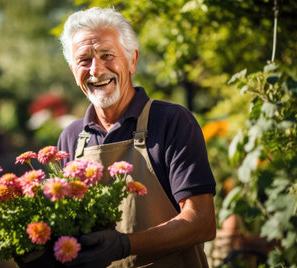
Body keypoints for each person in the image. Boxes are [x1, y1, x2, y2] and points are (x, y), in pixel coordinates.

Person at [57, 7, 216, 268]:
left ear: (132, 61)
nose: (96, 69)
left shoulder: (172, 122)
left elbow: (201, 222)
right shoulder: (71, 138)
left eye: (107, 55)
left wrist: (125, 245)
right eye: (84, 60)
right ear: (74, 71)